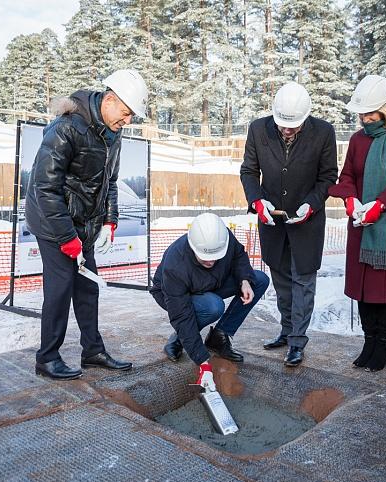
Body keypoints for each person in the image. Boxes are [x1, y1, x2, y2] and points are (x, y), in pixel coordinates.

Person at [25, 69, 149, 380]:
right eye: (126, 112)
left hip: (85, 224)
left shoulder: (112, 132)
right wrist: (66, 236)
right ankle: (47, 357)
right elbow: (45, 188)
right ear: (109, 100)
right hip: (53, 222)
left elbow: (110, 180)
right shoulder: (66, 129)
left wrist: (110, 219)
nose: (128, 120)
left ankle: (92, 351)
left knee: (87, 289)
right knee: (60, 288)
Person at [327, 75, 386, 372]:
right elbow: (347, 177)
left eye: (371, 112)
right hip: (360, 227)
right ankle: (369, 340)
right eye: (362, 113)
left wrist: (380, 204)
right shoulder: (358, 140)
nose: (365, 118)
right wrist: (351, 200)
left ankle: (383, 344)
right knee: (364, 288)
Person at [240, 82, 338, 367]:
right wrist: (257, 201)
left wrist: (312, 203)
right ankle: (286, 331)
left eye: (293, 126)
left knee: (303, 281)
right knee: (281, 279)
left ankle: (297, 341)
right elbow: (249, 170)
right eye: (283, 125)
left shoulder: (323, 132)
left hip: (306, 223)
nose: (287, 130)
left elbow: (328, 176)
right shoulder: (258, 129)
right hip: (272, 222)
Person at [150, 213, 270, 384]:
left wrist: (244, 280)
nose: (211, 261)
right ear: (194, 247)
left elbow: (238, 256)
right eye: (205, 258)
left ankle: (218, 337)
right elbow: (181, 315)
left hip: (211, 282)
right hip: (173, 294)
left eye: (216, 256)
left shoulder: (222, 238)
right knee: (213, 306)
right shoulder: (176, 264)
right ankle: (179, 338)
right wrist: (202, 361)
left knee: (258, 280)